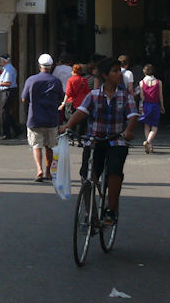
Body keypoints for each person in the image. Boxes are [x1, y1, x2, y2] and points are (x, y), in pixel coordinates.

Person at [60, 57, 140, 227]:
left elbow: (133, 115)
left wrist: (129, 131)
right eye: (115, 71)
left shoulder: (125, 96)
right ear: (105, 75)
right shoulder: (94, 95)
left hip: (116, 141)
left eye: (119, 70)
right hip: (94, 141)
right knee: (86, 176)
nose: (119, 74)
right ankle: (91, 214)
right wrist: (68, 125)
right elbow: (81, 111)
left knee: (114, 171)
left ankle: (111, 209)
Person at [20, 53, 65, 182]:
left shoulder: (31, 80)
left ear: (39, 65)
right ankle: (48, 171)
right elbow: (61, 97)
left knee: (36, 145)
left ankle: (39, 169)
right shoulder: (56, 81)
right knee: (50, 146)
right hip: (51, 118)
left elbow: (24, 99)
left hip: (35, 118)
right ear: (51, 67)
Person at [138, 63, 165, 153]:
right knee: (155, 126)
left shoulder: (141, 83)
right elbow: (160, 95)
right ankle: (148, 142)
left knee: (147, 125)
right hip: (155, 105)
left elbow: (142, 96)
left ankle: (150, 145)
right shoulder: (158, 82)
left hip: (146, 105)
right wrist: (162, 106)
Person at [62, 63, 90, 141]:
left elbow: (69, 93)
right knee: (81, 121)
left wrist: (63, 102)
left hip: (72, 102)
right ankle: (79, 136)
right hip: (82, 102)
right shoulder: (84, 80)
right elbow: (87, 92)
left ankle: (71, 137)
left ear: (73, 71)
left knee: (70, 119)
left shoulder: (70, 80)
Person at [0, 53, 21, 139]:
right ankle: (16, 129)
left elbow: (8, 83)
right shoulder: (7, 68)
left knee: (5, 112)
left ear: (4, 60)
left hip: (8, 91)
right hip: (8, 91)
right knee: (6, 111)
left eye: (1, 60)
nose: (0, 62)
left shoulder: (8, 69)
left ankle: (7, 133)